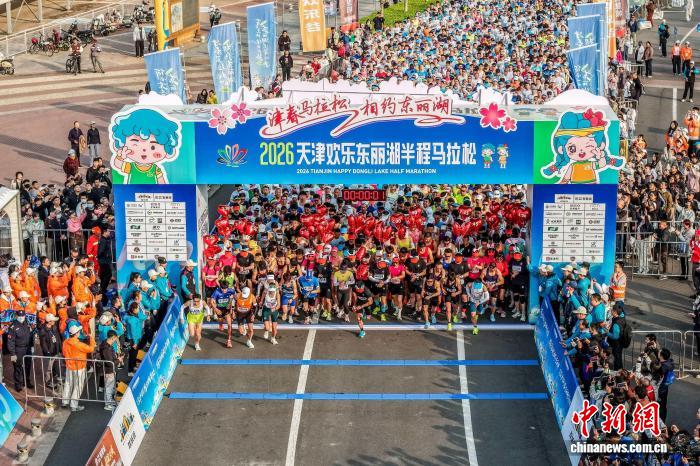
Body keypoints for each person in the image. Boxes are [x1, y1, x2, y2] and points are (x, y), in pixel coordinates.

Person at [61, 323, 95, 412]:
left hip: (69, 366)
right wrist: (91, 338)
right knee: (78, 386)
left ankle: (65, 401)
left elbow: (64, 353)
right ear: (76, 334)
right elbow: (91, 349)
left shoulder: (65, 342)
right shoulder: (79, 344)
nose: (79, 332)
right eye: (79, 331)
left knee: (68, 384)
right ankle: (74, 405)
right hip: (79, 367)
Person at [7, 311, 34, 392]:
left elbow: (31, 335)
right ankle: (18, 384)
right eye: (19, 316)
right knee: (17, 367)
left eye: (23, 316)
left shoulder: (27, 323)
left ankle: (26, 381)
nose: (21, 317)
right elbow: (10, 342)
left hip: (27, 348)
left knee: (28, 366)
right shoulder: (13, 326)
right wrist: (12, 354)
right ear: (16, 316)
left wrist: (32, 346)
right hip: (18, 349)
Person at [38, 313, 62, 389]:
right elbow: (43, 343)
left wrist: (60, 348)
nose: (54, 321)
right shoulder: (43, 330)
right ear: (49, 321)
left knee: (55, 367)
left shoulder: (54, 327)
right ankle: (48, 382)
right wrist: (47, 352)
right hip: (49, 353)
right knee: (48, 369)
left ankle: (54, 380)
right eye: (53, 320)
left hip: (56, 351)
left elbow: (58, 338)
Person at [123, 301, 147, 375]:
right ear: (134, 309)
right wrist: (135, 342)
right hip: (132, 340)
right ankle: (130, 371)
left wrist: (138, 314)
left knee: (135, 353)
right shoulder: (132, 319)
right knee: (132, 355)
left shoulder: (132, 315)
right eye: (137, 308)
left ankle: (133, 366)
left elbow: (144, 317)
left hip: (134, 338)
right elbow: (133, 332)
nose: (139, 310)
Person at [209, 280, 235, 348]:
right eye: (223, 289)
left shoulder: (231, 290)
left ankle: (229, 341)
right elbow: (211, 301)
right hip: (219, 309)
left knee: (229, 324)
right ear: (220, 287)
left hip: (226, 309)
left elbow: (234, 297)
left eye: (226, 289)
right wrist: (216, 309)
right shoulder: (216, 292)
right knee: (221, 322)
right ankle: (221, 324)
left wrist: (231, 305)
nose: (224, 290)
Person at [99, 330, 119, 411]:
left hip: (109, 370)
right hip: (109, 370)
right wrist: (118, 360)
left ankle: (109, 401)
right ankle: (108, 404)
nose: (116, 340)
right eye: (116, 338)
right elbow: (110, 362)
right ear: (113, 337)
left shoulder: (105, 344)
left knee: (109, 387)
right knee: (109, 387)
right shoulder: (106, 348)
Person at [658, 347, 675, 422]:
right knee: (663, 405)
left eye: (659, 352)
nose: (658, 353)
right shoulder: (669, 362)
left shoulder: (663, 367)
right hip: (665, 387)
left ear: (661, 356)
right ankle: (662, 421)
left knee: (660, 406)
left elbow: (658, 372)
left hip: (661, 388)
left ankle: (661, 421)